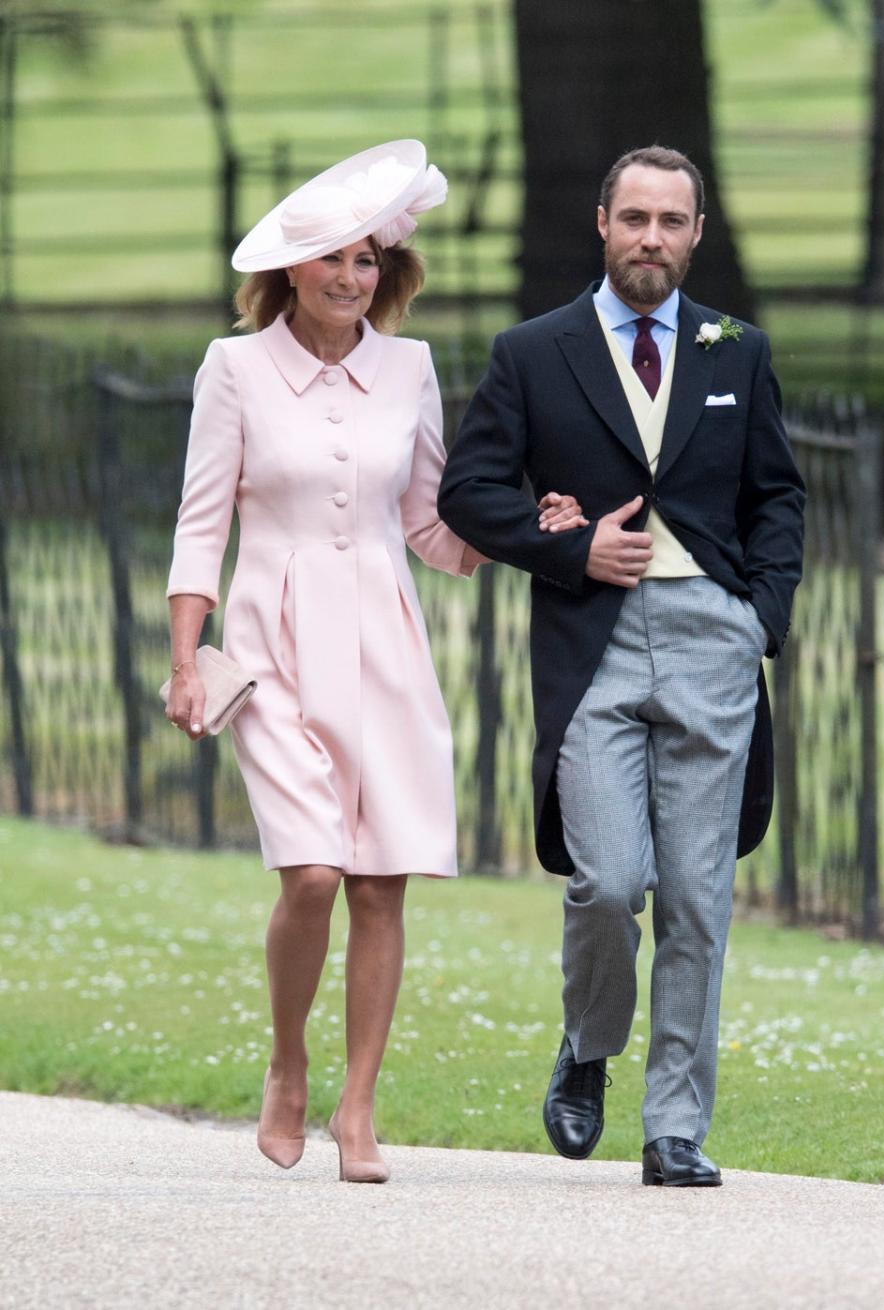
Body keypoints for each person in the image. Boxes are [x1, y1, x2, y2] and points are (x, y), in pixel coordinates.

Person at [165, 140, 584, 1182]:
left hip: (387, 643)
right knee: (311, 873)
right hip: (274, 645)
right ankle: (287, 1064)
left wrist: (527, 526)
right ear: (291, 270)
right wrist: (185, 657)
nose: (351, 277)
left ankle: (359, 1106)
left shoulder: (412, 366)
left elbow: (432, 526)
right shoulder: (235, 367)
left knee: (382, 885)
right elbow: (199, 522)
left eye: (368, 260)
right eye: (332, 260)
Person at [438, 145, 805, 1187]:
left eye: (672, 221)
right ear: (601, 222)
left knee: (697, 894)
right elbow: (469, 491)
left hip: (713, 641)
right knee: (607, 881)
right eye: (634, 217)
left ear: (696, 233)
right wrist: (569, 544)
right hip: (591, 643)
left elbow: (778, 495)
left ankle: (675, 1126)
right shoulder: (533, 350)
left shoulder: (738, 351)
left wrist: (758, 616)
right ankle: (589, 1046)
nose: (652, 237)